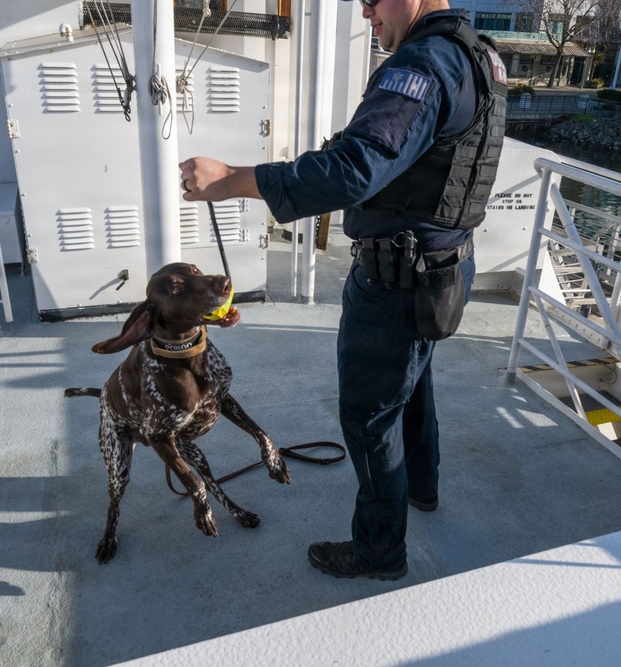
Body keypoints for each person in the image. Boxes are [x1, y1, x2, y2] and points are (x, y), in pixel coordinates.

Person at [178, 0, 506, 580]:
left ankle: (380, 551)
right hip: (443, 271)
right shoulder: (478, 56)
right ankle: (422, 489)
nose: (365, 14)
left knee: (370, 415)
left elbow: (353, 169)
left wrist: (231, 180)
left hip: (396, 283)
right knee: (413, 384)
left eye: (372, 1)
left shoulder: (422, 64)